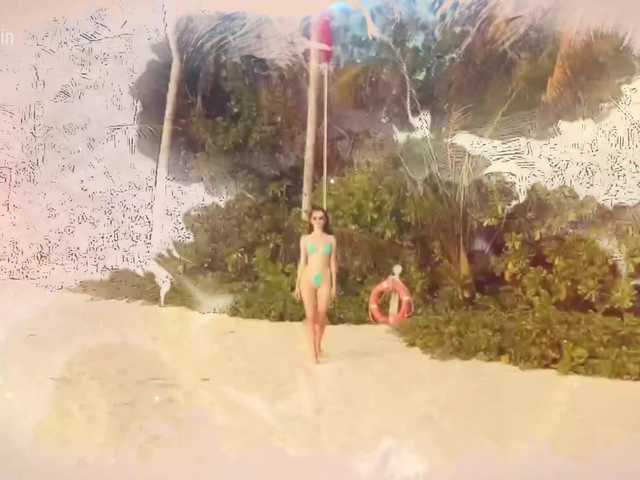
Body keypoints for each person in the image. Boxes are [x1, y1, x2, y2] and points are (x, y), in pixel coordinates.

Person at [294, 206, 337, 363]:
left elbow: (333, 263)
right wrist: (297, 285)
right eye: (315, 218)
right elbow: (302, 262)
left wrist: (334, 285)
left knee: (322, 314)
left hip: (324, 279)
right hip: (308, 279)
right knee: (310, 316)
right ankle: (313, 352)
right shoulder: (305, 239)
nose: (318, 221)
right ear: (310, 221)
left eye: (321, 218)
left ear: (325, 220)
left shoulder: (331, 239)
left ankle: (318, 346)